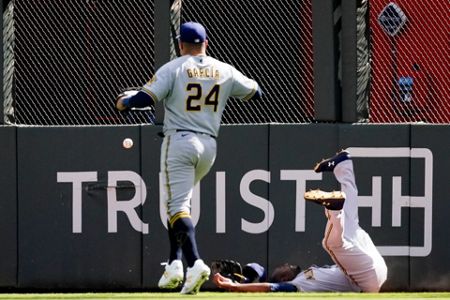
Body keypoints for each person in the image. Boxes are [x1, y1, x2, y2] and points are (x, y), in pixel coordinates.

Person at [116, 22, 262, 294]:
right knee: (180, 206)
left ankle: (194, 263)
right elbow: (257, 93)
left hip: (180, 141)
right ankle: (174, 264)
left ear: (181, 45)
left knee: (176, 207)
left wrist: (124, 102)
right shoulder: (224, 69)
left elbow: (143, 99)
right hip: (209, 146)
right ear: (206, 43)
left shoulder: (174, 67)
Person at [213, 150, 388, 293]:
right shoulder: (299, 284)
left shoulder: (309, 275)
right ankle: (334, 209)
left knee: (350, 220)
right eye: (282, 268)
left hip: (363, 273)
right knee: (331, 244)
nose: (285, 265)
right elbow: (270, 287)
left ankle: (343, 167)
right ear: (283, 279)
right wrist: (235, 286)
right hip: (367, 280)